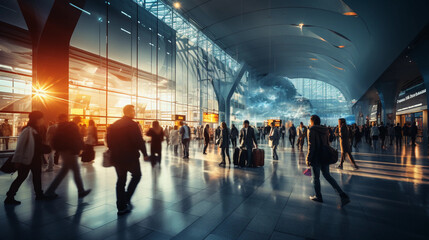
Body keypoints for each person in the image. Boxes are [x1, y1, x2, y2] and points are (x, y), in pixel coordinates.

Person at [106, 105, 149, 215]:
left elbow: (108, 141)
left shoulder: (114, 125)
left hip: (117, 157)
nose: (134, 113)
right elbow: (138, 141)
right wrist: (144, 153)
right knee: (137, 175)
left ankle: (121, 207)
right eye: (133, 111)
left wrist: (114, 150)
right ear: (129, 112)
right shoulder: (132, 125)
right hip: (130, 157)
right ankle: (127, 197)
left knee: (121, 180)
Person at [306, 115, 350, 207]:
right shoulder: (325, 129)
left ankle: (318, 196)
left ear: (312, 121)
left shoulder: (312, 130)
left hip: (316, 157)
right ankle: (342, 194)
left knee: (316, 178)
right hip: (325, 155)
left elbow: (311, 145)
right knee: (327, 176)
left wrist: (308, 158)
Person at [4, 111, 48, 205]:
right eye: (41, 118)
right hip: (26, 159)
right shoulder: (27, 130)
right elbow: (20, 147)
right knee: (21, 177)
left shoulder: (35, 130)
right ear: (37, 119)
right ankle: (10, 197)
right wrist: (17, 160)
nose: (43, 120)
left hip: (35, 158)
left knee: (36, 177)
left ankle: (39, 194)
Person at [45, 115, 91, 200]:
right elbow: (76, 138)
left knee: (64, 171)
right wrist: (81, 147)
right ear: (78, 120)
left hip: (64, 150)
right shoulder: (73, 126)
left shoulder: (65, 126)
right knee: (76, 171)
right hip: (70, 151)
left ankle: (50, 191)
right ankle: (81, 191)